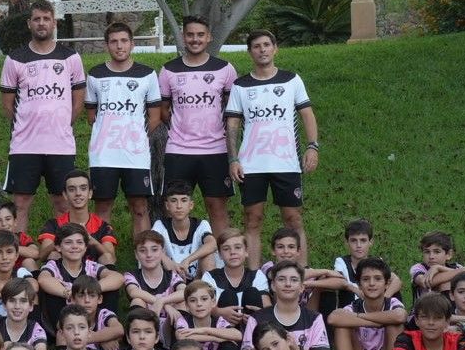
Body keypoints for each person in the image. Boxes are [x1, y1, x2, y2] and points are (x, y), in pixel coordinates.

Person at [225, 30, 320, 266]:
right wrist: (233, 159)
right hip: (252, 164)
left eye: (267, 45)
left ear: (275, 48)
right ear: (250, 52)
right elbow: (233, 123)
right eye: (256, 46)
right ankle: (254, 276)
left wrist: (312, 146)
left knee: (293, 218)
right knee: (252, 219)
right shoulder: (240, 85)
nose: (262, 50)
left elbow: (307, 113)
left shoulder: (291, 80)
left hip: (286, 162)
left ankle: (302, 273)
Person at [0, 0, 86, 233]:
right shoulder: (15, 59)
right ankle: (17, 260)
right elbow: (7, 105)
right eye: (37, 19)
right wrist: (26, 125)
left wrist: (62, 124)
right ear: (29, 23)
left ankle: (64, 258)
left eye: (46, 19)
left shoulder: (70, 58)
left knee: (62, 203)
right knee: (20, 204)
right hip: (24, 145)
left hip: (60, 145)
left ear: (54, 23)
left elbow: (79, 100)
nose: (41, 23)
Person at [152, 16, 237, 237]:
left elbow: (231, 109)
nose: (195, 39)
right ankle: (174, 259)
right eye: (190, 34)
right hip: (179, 150)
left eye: (200, 35)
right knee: (174, 208)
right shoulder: (169, 70)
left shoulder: (225, 69)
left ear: (209, 37)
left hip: (215, 150)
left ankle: (221, 261)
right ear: (183, 37)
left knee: (216, 206)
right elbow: (163, 109)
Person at [85, 21, 160, 233]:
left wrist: (135, 139)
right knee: (102, 207)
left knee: (139, 207)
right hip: (103, 155)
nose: (119, 46)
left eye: (124, 41)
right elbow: (92, 116)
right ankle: (103, 260)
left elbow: (154, 117)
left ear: (132, 44)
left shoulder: (147, 74)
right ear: (106, 46)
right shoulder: (95, 75)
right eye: (114, 42)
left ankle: (144, 262)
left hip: (135, 155)